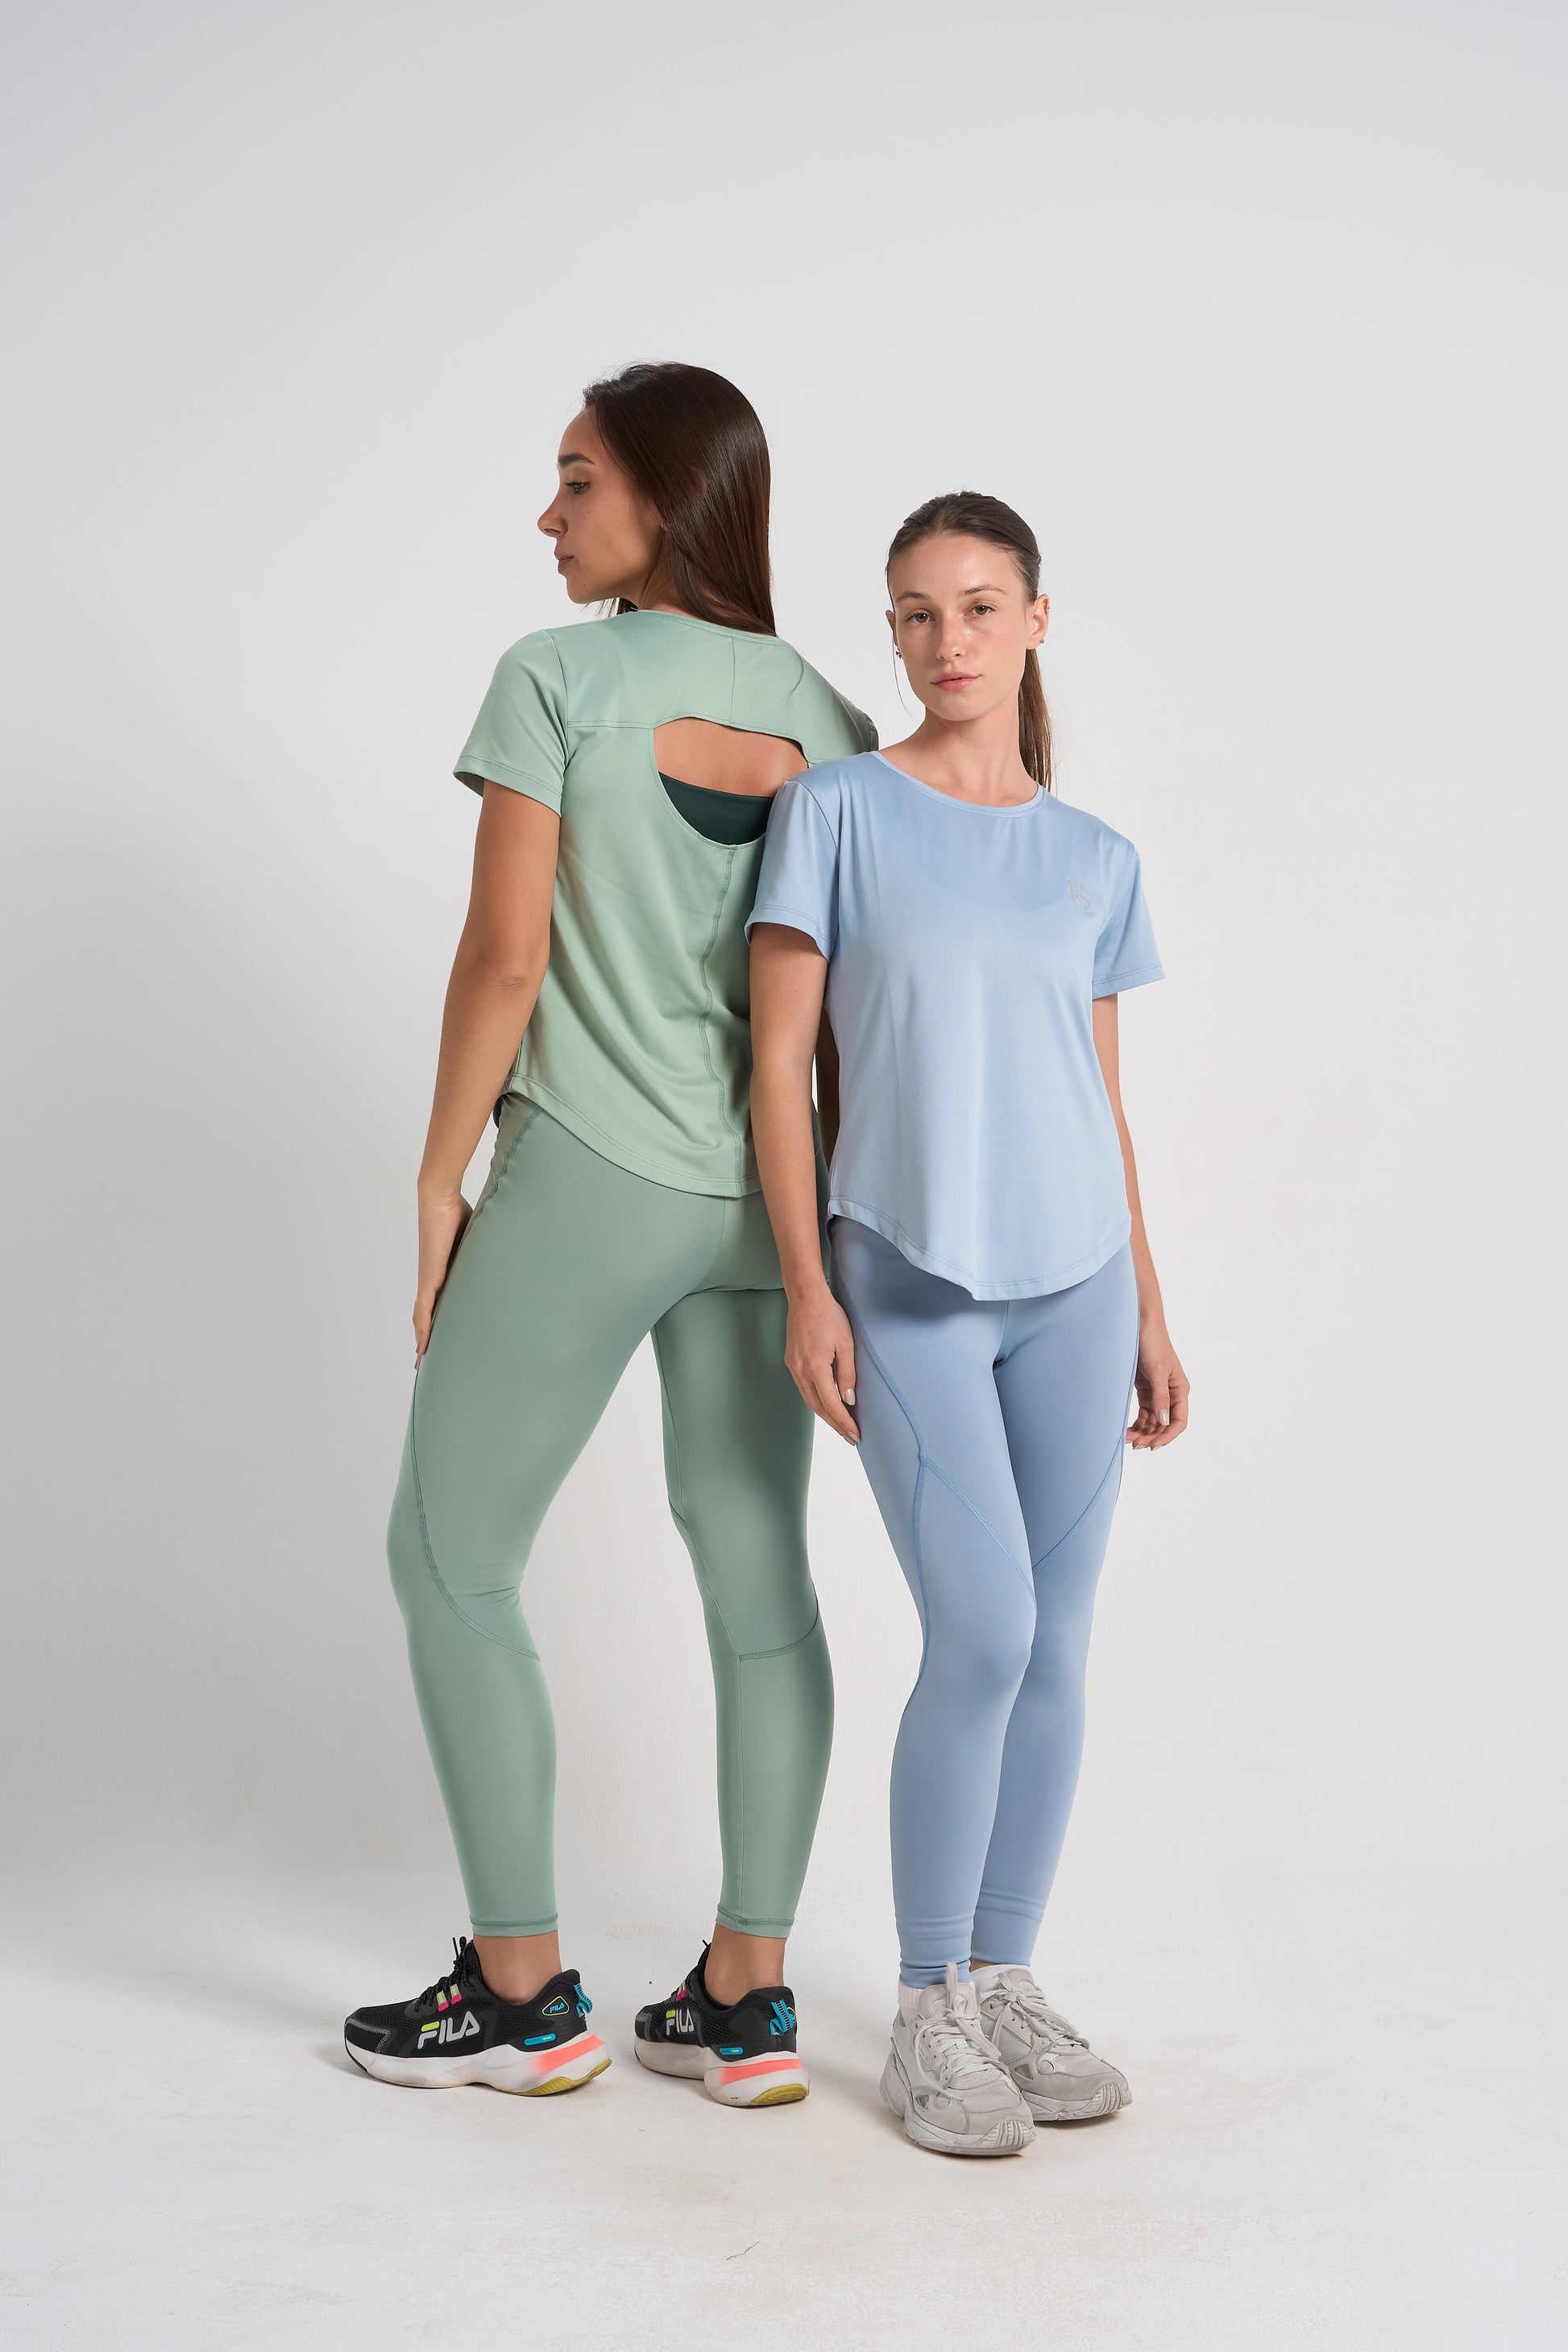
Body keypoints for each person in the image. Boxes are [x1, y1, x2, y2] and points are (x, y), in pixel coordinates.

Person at [342, 363, 875, 2109]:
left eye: (577, 480)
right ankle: (748, 1995)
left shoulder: (555, 677)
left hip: (587, 1176)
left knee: (450, 1555)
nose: (549, 515)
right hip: (765, 1202)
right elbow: (843, 1007)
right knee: (757, 1575)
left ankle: (519, 1992)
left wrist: (440, 1180)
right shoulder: (829, 714)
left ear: (667, 492)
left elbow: (506, 960)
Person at [747, 491, 1188, 2155]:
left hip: (1078, 1287)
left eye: (979, 606)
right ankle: (926, 2004)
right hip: (906, 1280)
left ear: (1034, 620)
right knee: (984, 1633)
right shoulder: (836, 811)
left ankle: (1004, 1974)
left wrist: (1150, 1305)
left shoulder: (1095, 859)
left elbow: (1101, 1099)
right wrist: (808, 1284)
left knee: (1057, 1645)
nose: (948, 639)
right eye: (917, 613)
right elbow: (776, 1068)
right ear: (893, 631)